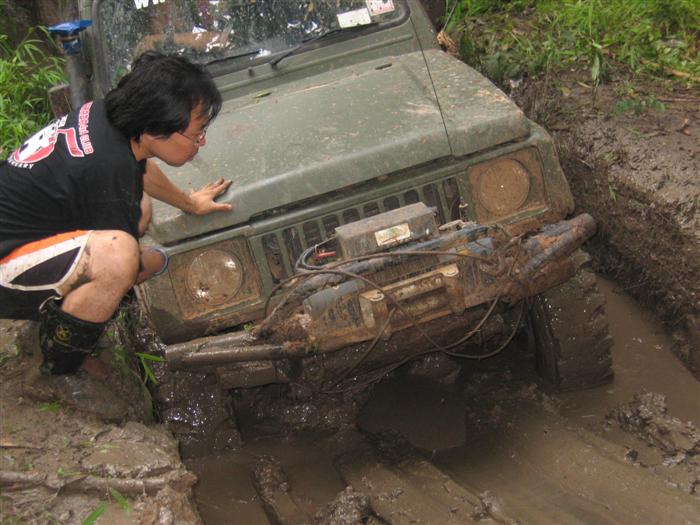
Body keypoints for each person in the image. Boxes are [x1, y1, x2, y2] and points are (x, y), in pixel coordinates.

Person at [0, 51, 232, 376]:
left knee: (139, 210)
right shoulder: (108, 170)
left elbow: (141, 167)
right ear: (157, 128)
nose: (201, 142)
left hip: (25, 228)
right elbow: (130, 266)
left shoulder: (107, 117)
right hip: (6, 265)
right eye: (197, 133)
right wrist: (164, 260)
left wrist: (190, 204)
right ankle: (59, 366)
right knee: (118, 258)